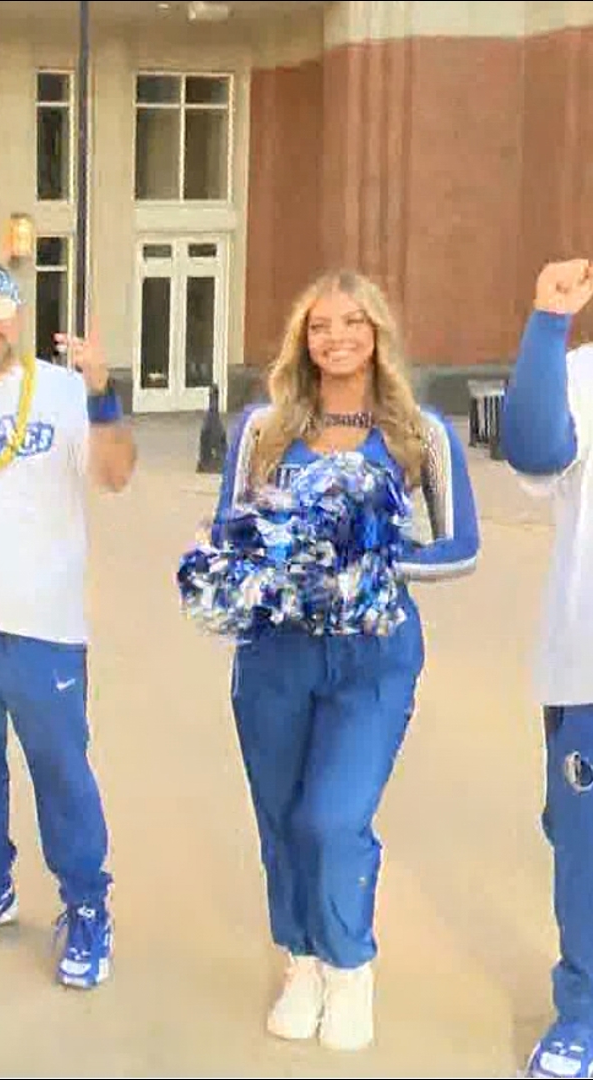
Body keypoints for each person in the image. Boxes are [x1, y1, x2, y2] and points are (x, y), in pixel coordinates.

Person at [209, 269, 478, 1051]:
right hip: (274, 657)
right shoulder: (262, 429)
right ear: (303, 339)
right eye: (320, 326)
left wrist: (370, 565)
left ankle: (350, 962)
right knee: (281, 818)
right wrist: (253, 564)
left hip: (373, 656)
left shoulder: (417, 431)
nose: (336, 339)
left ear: (377, 335)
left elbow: (460, 548)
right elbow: (231, 533)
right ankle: (300, 959)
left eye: (351, 325)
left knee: (334, 816)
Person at [0, 260, 135, 990]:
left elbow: (115, 475)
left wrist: (105, 397)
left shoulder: (66, 391)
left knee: (62, 772)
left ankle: (85, 903)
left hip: (45, 624)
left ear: (18, 319)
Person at [494, 257, 593, 1079]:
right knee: (584, 852)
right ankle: (584, 1012)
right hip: (588, 666)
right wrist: (547, 323)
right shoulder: (582, 376)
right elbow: (532, 446)